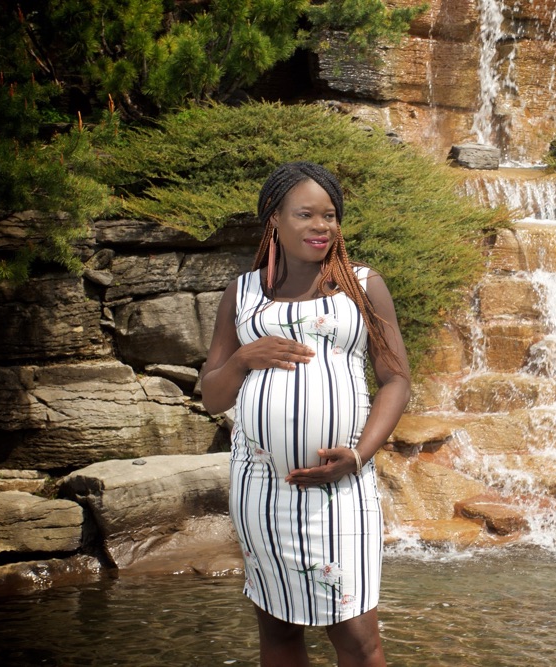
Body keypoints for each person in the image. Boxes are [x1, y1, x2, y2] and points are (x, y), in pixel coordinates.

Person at [200, 161, 410, 667]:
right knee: (277, 631)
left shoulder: (362, 287)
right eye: (306, 215)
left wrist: (359, 456)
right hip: (261, 491)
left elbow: (397, 380)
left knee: (359, 640)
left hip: (340, 488)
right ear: (274, 219)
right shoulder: (242, 293)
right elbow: (212, 396)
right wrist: (246, 357)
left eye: (331, 216)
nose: (322, 226)